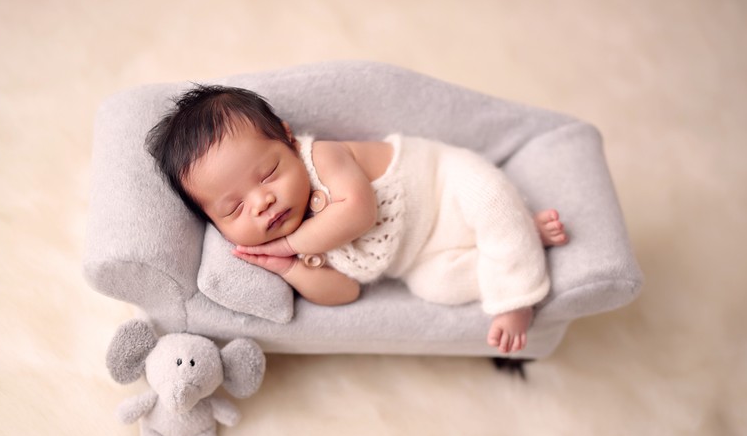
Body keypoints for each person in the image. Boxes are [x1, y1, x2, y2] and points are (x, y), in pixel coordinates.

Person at [146, 85, 568, 354]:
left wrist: (293, 245)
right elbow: (344, 292)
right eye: (234, 209)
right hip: (422, 253)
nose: (262, 202)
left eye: (269, 173)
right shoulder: (292, 247)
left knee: (488, 198)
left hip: (446, 187)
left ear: (289, 140)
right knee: (436, 287)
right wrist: (290, 268)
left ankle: (518, 295)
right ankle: (515, 238)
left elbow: (359, 212)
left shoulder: (321, 156)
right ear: (213, 223)